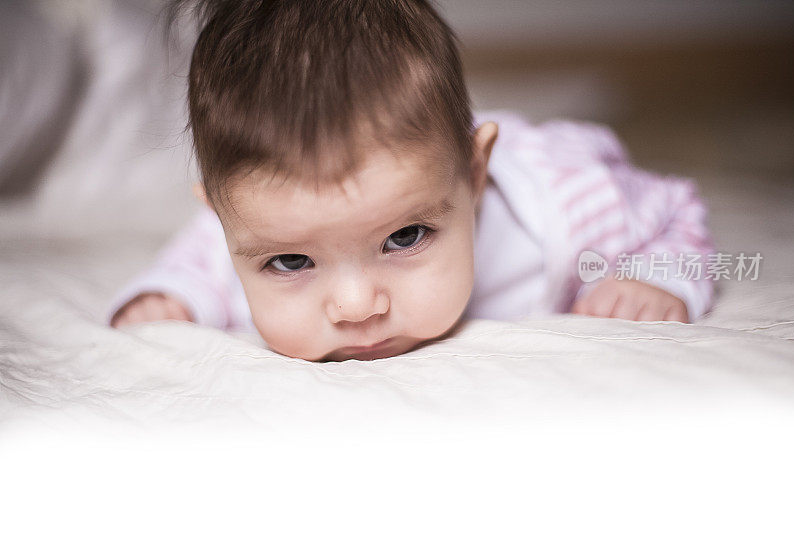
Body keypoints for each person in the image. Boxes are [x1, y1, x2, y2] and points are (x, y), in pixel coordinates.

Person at [107, 0, 715, 362]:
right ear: (223, 218)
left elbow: (676, 210)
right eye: (292, 264)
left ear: (476, 176)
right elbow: (197, 264)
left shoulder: (568, 207)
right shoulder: (257, 224)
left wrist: (657, 277)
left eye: (405, 238)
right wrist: (166, 298)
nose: (355, 307)